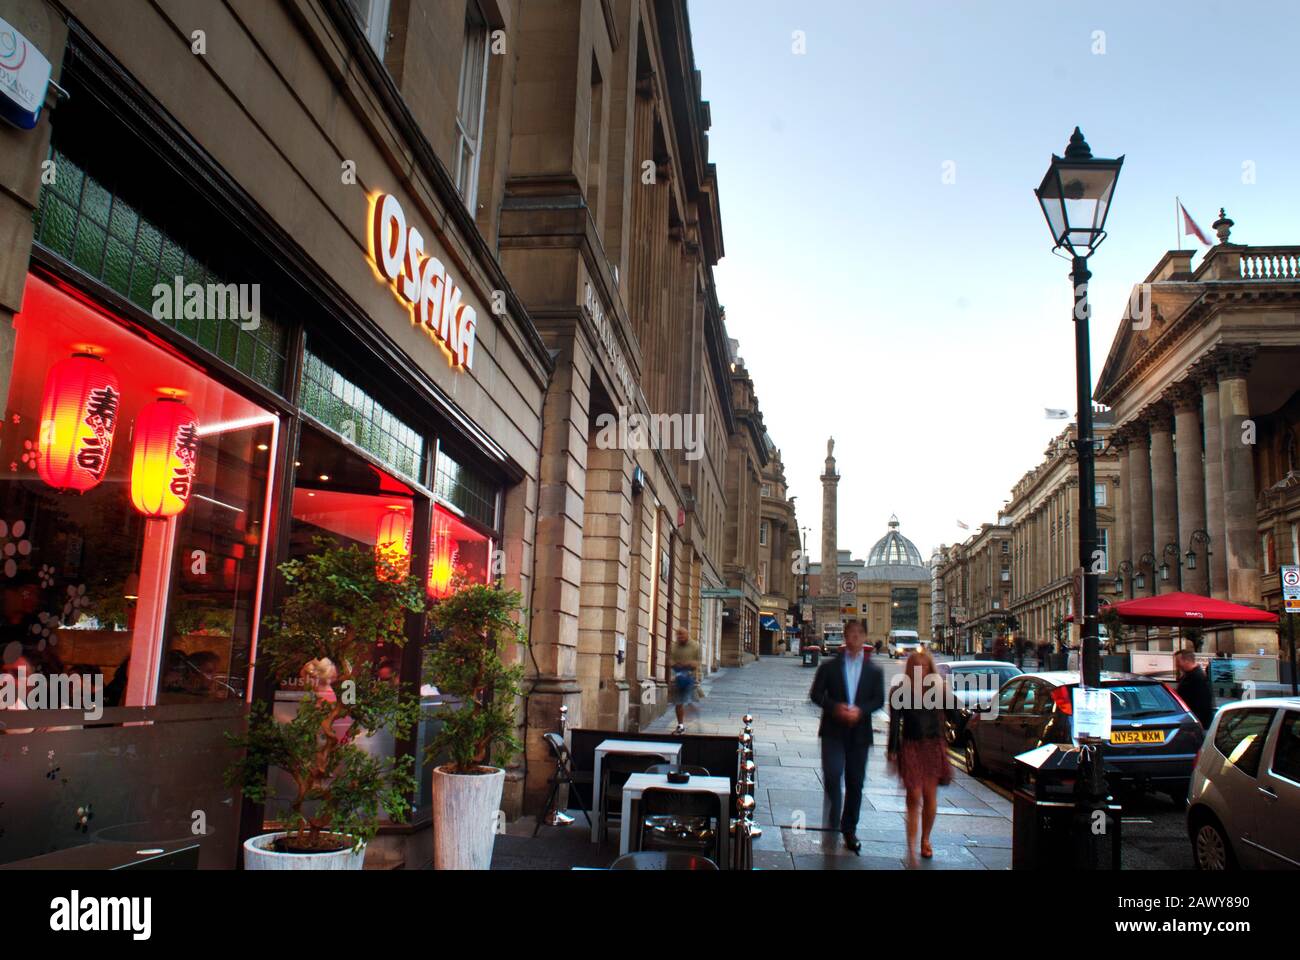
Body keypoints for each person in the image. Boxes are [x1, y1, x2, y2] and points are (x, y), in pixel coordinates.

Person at [809, 619, 884, 854]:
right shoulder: (829, 667)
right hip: (833, 730)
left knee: (855, 782)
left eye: (858, 634)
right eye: (850, 634)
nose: (854, 638)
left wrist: (860, 710)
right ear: (845, 636)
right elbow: (816, 694)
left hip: (860, 734)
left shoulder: (874, 671)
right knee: (832, 777)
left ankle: (849, 829)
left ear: (864, 637)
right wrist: (836, 708)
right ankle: (832, 825)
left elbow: (878, 700)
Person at [888, 650, 957, 867]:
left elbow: (955, 715)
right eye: (916, 667)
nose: (921, 671)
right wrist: (892, 749)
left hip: (933, 745)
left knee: (929, 796)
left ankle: (925, 839)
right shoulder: (900, 691)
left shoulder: (938, 690)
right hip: (910, 746)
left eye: (925, 667)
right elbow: (894, 723)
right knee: (914, 796)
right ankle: (910, 846)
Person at [668, 627, 701, 734]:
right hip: (677, 676)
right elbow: (670, 661)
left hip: (689, 676)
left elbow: (697, 663)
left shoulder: (695, 646)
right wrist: (675, 664)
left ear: (687, 635)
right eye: (678, 635)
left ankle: (691, 708)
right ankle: (680, 725)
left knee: (687, 699)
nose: (680, 637)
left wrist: (688, 664)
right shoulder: (673, 647)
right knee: (679, 702)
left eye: (682, 635)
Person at [1175, 649, 1215, 729]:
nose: (1177, 665)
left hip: (1197, 723)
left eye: (1178, 662)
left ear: (1186, 661)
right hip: (1191, 721)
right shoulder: (1189, 675)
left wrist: (1196, 723)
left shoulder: (1197, 677)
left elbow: (1203, 704)